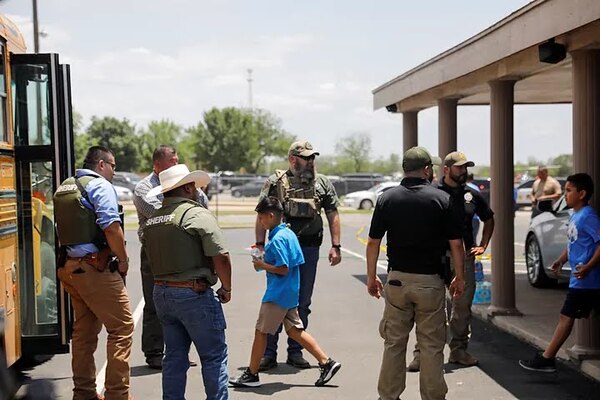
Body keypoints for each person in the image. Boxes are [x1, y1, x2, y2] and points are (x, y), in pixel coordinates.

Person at [366, 146, 465, 400]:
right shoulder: (442, 199)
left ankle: (388, 396)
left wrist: (371, 277)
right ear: (427, 169)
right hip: (430, 283)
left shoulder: (387, 198)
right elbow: (456, 244)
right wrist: (460, 277)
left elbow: (373, 242)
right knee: (431, 346)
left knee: (394, 343)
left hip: (397, 281)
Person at [230, 197, 342, 388]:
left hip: (277, 294)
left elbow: (283, 268)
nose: (260, 221)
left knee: (260, 332)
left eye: (261, 217)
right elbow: (291, 261)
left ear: (271, 215)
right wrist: (264, 260)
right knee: (295, 330)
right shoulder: (288, 233)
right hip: (290, 291)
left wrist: (262, 264)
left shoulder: (278, 238)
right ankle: (326, 362)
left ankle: (252, 374)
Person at [142, 164, 232, 400]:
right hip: (193, 293)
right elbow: (221, 256)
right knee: (213, 356)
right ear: (189, 188)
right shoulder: (196, 214)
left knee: (173, 356)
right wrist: (227, 287)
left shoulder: (153, 220)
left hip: (162, 293)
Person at [53, 145, 133, 400]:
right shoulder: (99, 185)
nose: (113, 172)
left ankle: (85, 393)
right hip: (94, 268)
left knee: (84, 333)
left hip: (69, 267)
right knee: (122, 328)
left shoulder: (66, 186)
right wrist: (122, 260)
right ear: (101, 165)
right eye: (113, 166)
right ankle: (117, 395)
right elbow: (110, 226)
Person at [255, 140, 341, 371]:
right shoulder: (275, 182)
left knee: (302, 302)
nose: (311, 161)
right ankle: (268, 354)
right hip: (281, 251)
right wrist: (260, 244)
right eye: (307, 157)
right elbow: (261, 213)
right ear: (293, 159)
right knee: (275, 300)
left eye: (313, 157)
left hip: (310, 250)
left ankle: (295, 352)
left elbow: (332, 213)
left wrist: (336, 245)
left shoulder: (322, 183)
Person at [408, 151, 495, 372]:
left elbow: (489, 218)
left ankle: (458, 351)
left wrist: (483, 244)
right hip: (437, 259)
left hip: (464, 259)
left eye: (466, 167)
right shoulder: (432, 192)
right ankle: (421, 355)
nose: (464, 171)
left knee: (462, 308)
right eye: (459, 167)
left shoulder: (471, 195)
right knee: (431, 308)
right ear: (446, 169)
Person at [133, 145, 207, 369]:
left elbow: (203, 206)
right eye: (172, 161)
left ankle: (179, 351)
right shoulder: (144, 188)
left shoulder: (186, 185)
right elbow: (163, 215)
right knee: (154, 300)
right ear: (157, 165)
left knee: (183, 300)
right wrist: (188, 207)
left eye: (177, 160)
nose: (177, 164)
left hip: (184, 250)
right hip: (155, 252)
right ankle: (155, 352)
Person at [519, 173, 600, 373]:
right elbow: (573, 243)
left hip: (586, 280)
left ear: (582, 194)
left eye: (569, 191)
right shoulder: (576, 215)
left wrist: (588, 266)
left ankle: (547, 358)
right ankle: (547, 358)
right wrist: (561, 260)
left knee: (566, 317)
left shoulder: (589, 216)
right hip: (579, 279)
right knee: (570, 316)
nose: (565, 195)